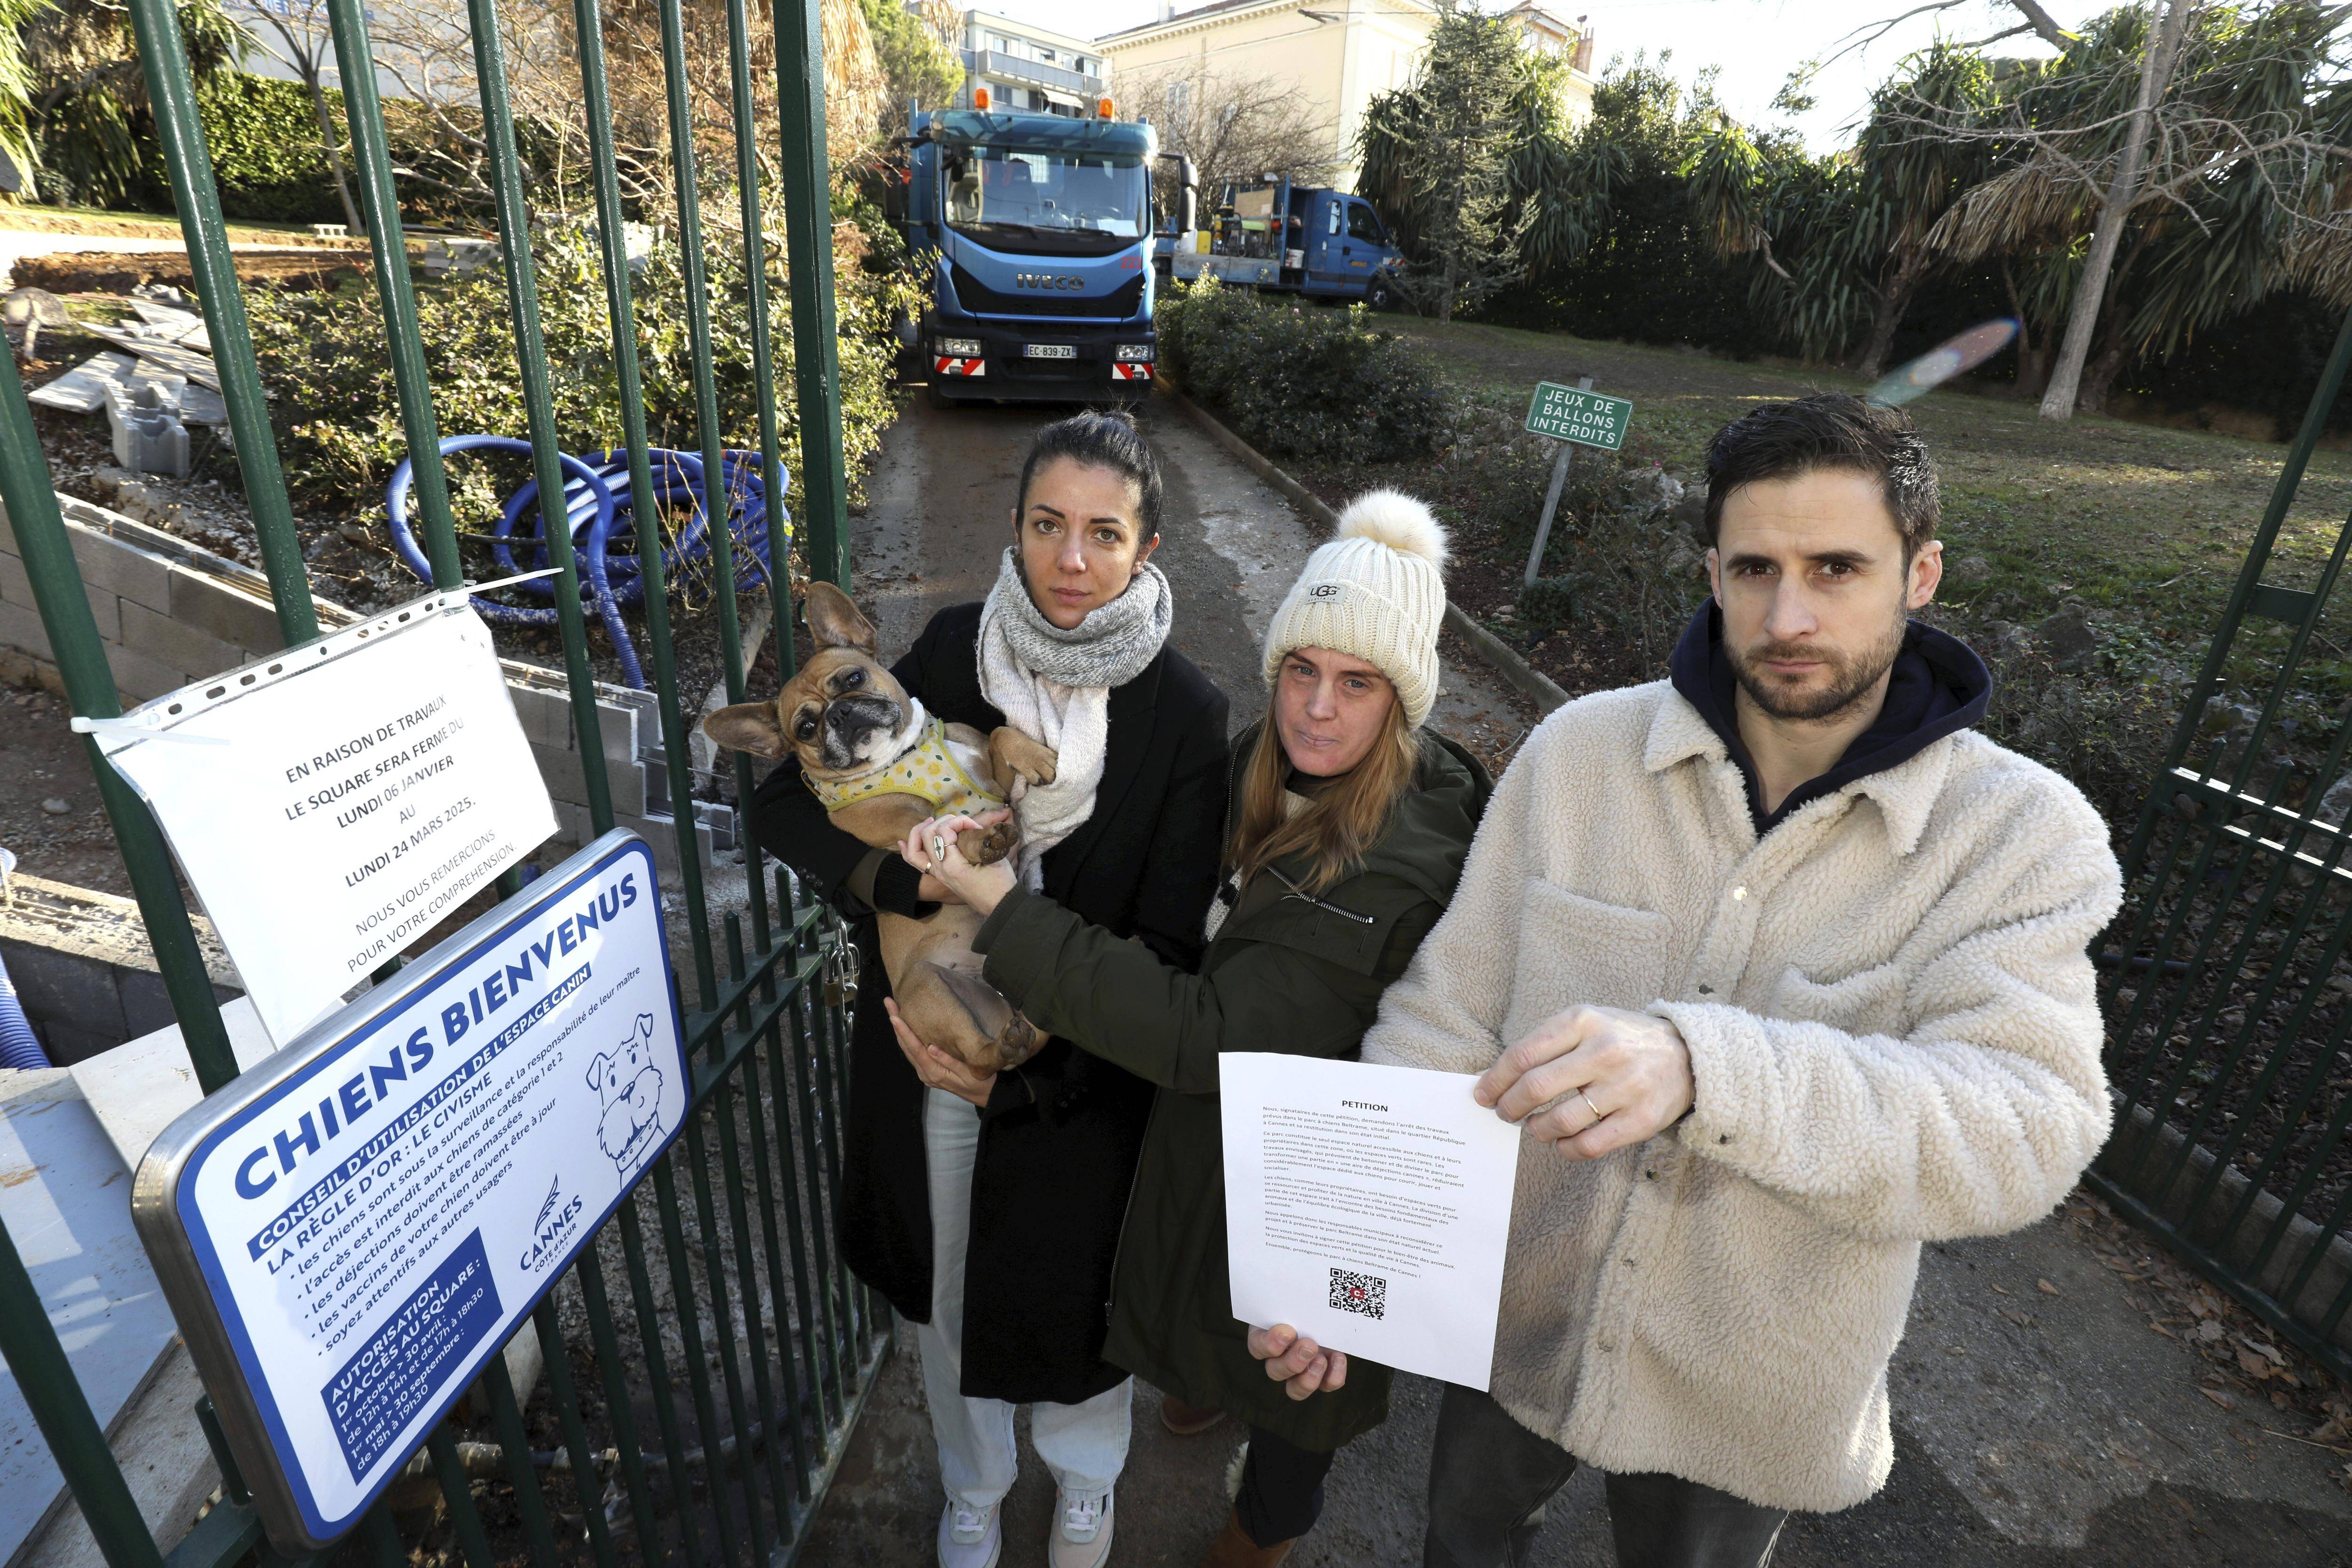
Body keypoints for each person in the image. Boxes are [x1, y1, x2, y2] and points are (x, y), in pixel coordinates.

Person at [1255, 393, 2123, 1566]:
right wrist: (1349, 1262)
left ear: (1920, 574)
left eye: (1837, 567)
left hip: (1748, 1398)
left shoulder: (2019, 836)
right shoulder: (1578, 755)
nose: (1789, 613)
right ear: (1712, 570)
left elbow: (2026, 1122)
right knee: (1461, 1542)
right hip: (1518, 1325)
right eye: (1755, 567)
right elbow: (1445, 1013)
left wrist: (1706, 1067)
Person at [897, 492, 1488, 1568]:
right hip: (1233, 1145)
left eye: (1357, 684)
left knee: (1312, 1383)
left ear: (1402, 701)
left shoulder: (1390, 864)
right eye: (1300, 670)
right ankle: (1202, 1387)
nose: (1316, 708)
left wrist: (1002, 906)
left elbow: (1198, 1032)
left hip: (1338, 1168)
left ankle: (1259, 1535)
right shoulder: (1264, 768)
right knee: (1222, 1311)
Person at [747, 411, 1230, 1568]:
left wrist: (1053, 1039)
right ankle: (974, 1483)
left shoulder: (1188, 715)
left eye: (1103, 534)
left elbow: (1168, 940)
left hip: (1088, 1065)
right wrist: (896, 885)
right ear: (1014, 528)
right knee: (947, 1274)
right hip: (930, 1046)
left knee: (1077, 1284)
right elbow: (781, 800)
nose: (1071, 559)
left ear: (1145, 550)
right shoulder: (954, 646)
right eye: (1047, 524)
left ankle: (1084, 1479)